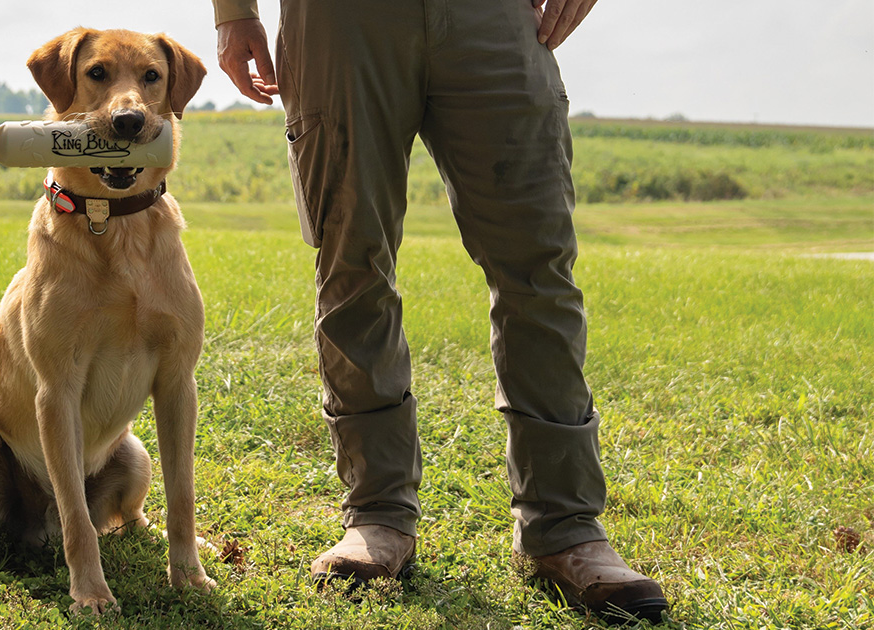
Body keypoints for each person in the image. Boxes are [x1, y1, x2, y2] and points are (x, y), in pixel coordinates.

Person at [213, 0, 668, 622]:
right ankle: (377, 515)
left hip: (497, 18)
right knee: (353, 266)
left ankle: (564, 526)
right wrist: (232, 12)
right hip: (339, 22)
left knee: (538, 267)